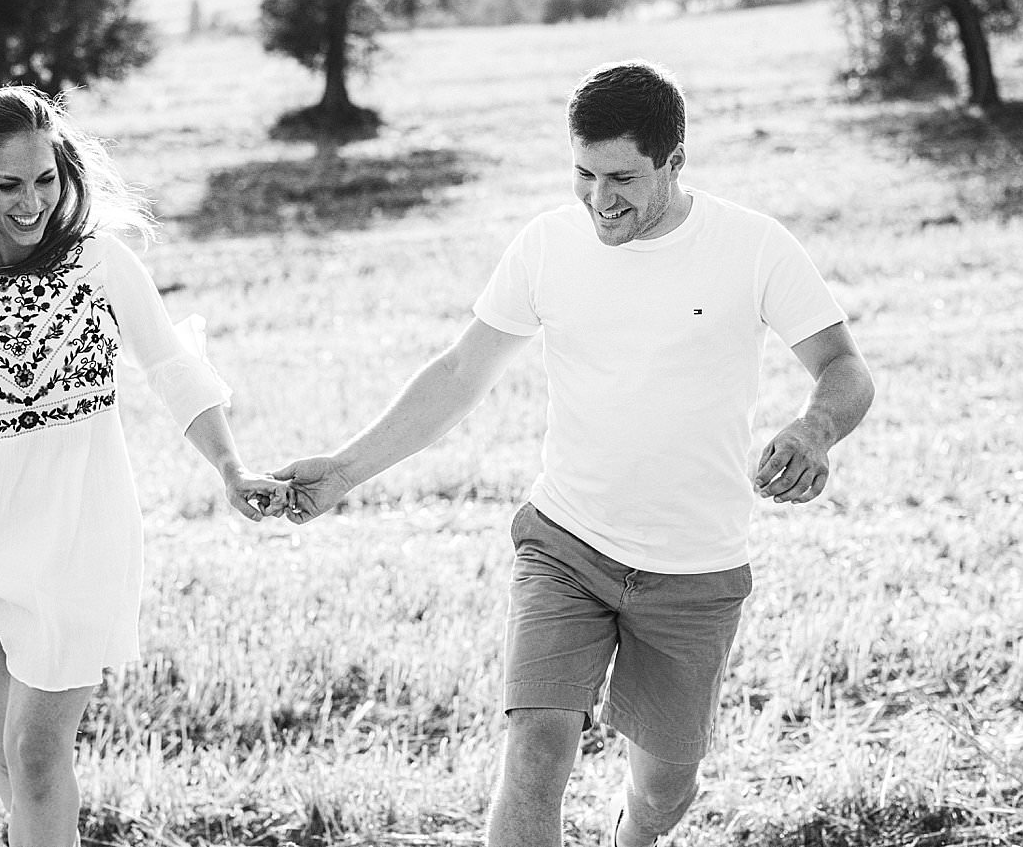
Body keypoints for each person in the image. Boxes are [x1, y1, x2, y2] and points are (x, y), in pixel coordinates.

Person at [276, 60, 874, 847]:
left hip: (695, 569)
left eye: (622, 177)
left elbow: (844, 367)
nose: (600, 199)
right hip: (567, 542)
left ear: (675, 161)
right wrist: (345, 469)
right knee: (535, 749)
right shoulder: (546, 246)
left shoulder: (753, 246)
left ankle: (634, 830)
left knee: (663, 789)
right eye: (584, 174)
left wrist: (815, 428)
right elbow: (459, 375)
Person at [0, 86, 285, 847]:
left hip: (79, 534)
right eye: (9, 186)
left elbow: (171, 364)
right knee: (8, 760)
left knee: (36, 754)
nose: (33, 203)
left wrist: (231, 468)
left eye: (45, 179)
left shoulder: (99, 261)